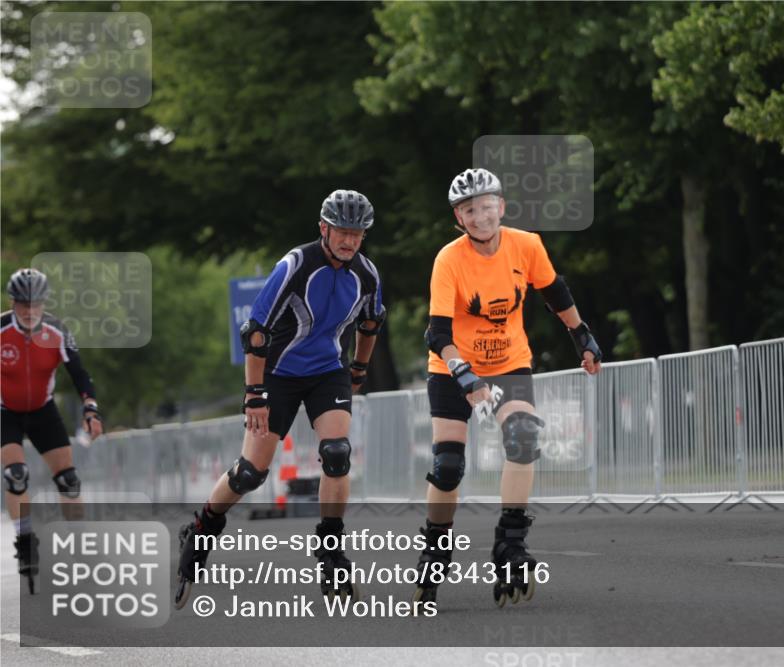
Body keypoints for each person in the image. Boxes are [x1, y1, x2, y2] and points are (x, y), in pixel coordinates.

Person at [174, 190, 386, 608]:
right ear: (323, 228)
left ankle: (330, 549)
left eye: (357, 234)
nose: (349, 241)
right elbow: (255, 332)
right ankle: (202, 527)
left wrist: (358, 368)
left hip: (327, 370)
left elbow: (371, 321)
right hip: (278, 374)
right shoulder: (295, 265)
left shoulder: (367, 274)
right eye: (342, 232)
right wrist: (255, 395)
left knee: (337, 452)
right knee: (251, 473)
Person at [415, 168, 602, 607]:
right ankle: (436, 547)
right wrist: (464, 375)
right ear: (458, 219)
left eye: (485, 206)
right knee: (448, 466)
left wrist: (583, 336)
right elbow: (437, 334)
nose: (479, 217)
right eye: (468, 211)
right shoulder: (449, 259)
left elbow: (555, 292)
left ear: (501, 206)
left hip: (509, 361)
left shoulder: (526, 244)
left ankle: (510, 543)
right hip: (452, 367)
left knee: (523, 436)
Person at [1, 268, 104, 593]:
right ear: (12, 303)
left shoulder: (58, 331)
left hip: (44, 411)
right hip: (5, 412)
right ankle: (26, 539)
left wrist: (91, 408)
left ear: (44, 303)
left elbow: (80, 375)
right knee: (16, 475)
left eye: (35, 304)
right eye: (22, 305)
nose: (29, 311)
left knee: (69, 482)